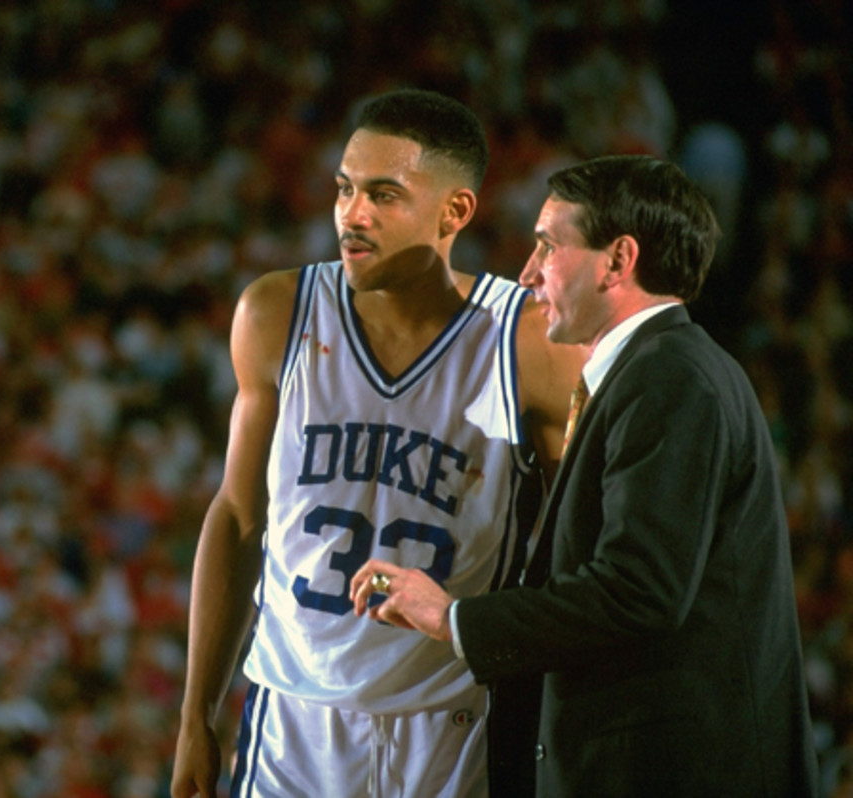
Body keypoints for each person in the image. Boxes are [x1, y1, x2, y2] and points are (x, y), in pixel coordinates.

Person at [351, 154, 821, 797]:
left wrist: (455, 619)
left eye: (548, 245)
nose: (527, 272)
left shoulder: (671, 380)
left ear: (618, 261)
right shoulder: (658, 373)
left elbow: (638, 590)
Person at [171, 88, 584, 798]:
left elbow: (570, 554)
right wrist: (194, 715)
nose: (351, 215)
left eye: (383, 195)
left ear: (455, 212)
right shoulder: (276, 312)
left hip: (453, 718)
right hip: (293, 712)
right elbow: (239, 518)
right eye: (344, 189)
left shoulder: (528, 342)